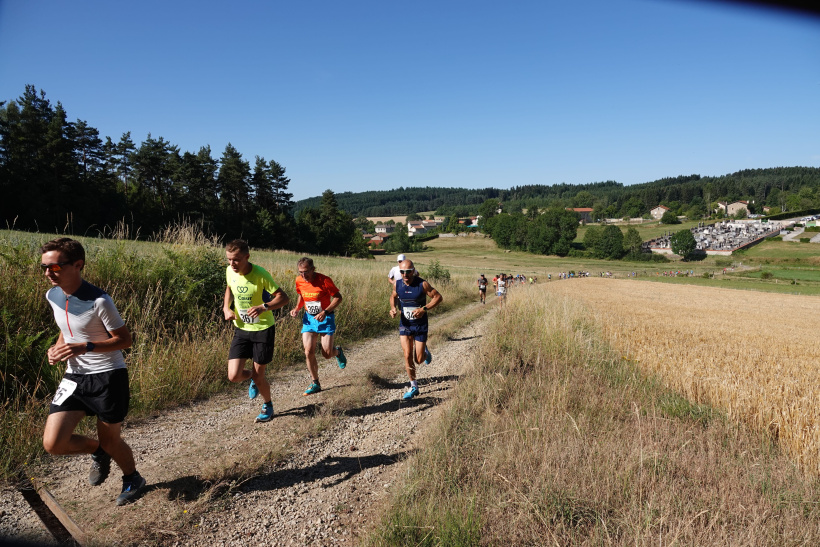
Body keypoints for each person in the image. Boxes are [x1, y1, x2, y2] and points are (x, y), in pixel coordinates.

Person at [40, 237, 145, 506]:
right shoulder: (52, 295)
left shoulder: (99, 300)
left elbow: (124, 340)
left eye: (55, 267)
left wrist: (84, 347)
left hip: (108, 376)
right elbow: (66, 331)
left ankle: (133, 478)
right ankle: (99, 452)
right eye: (44, 267)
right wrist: (57, 347)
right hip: (74, 377)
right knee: (54, 444)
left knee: (111, 440)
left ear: (78, 265)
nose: (48, 273)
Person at [223, 239, 289, 423]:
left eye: (236, 260)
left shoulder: (261, 274)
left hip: (263, 330)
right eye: (229, 259)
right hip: (241, 329)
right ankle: (252, 376)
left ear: (247, 257)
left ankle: (268, 405)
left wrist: (264, 307)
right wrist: (226, 308)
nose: (232, 264)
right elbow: (229, 288)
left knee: (261, 377)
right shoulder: (230, 271)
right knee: (234, 376)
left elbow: (283, 298)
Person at [289, 257, 346, 396]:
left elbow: (338, 297)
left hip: (326, 318)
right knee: (308, 351)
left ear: (313, 269)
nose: (303, 275)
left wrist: (325, 312)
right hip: (309, 319)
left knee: (326, 354)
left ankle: (337, 351)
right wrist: (297, 308)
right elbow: (302, 296)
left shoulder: (324, 280)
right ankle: (315, 383)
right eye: (300, 272)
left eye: (306, 272)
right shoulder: (299, 281)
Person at [389, 259, 443, 400]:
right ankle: (414, 386)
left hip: (420, 325)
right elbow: (393, 297)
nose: (405, 274)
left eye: (408, 271)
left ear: (413, 270)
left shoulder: (422, 284)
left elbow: (438, 297)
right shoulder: (397, 284)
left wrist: (424, 309)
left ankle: (424, 351)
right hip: (405, 324)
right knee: (407, 355)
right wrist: (393, 308)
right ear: (399, 272)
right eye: (402, 272)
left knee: (418, 360)